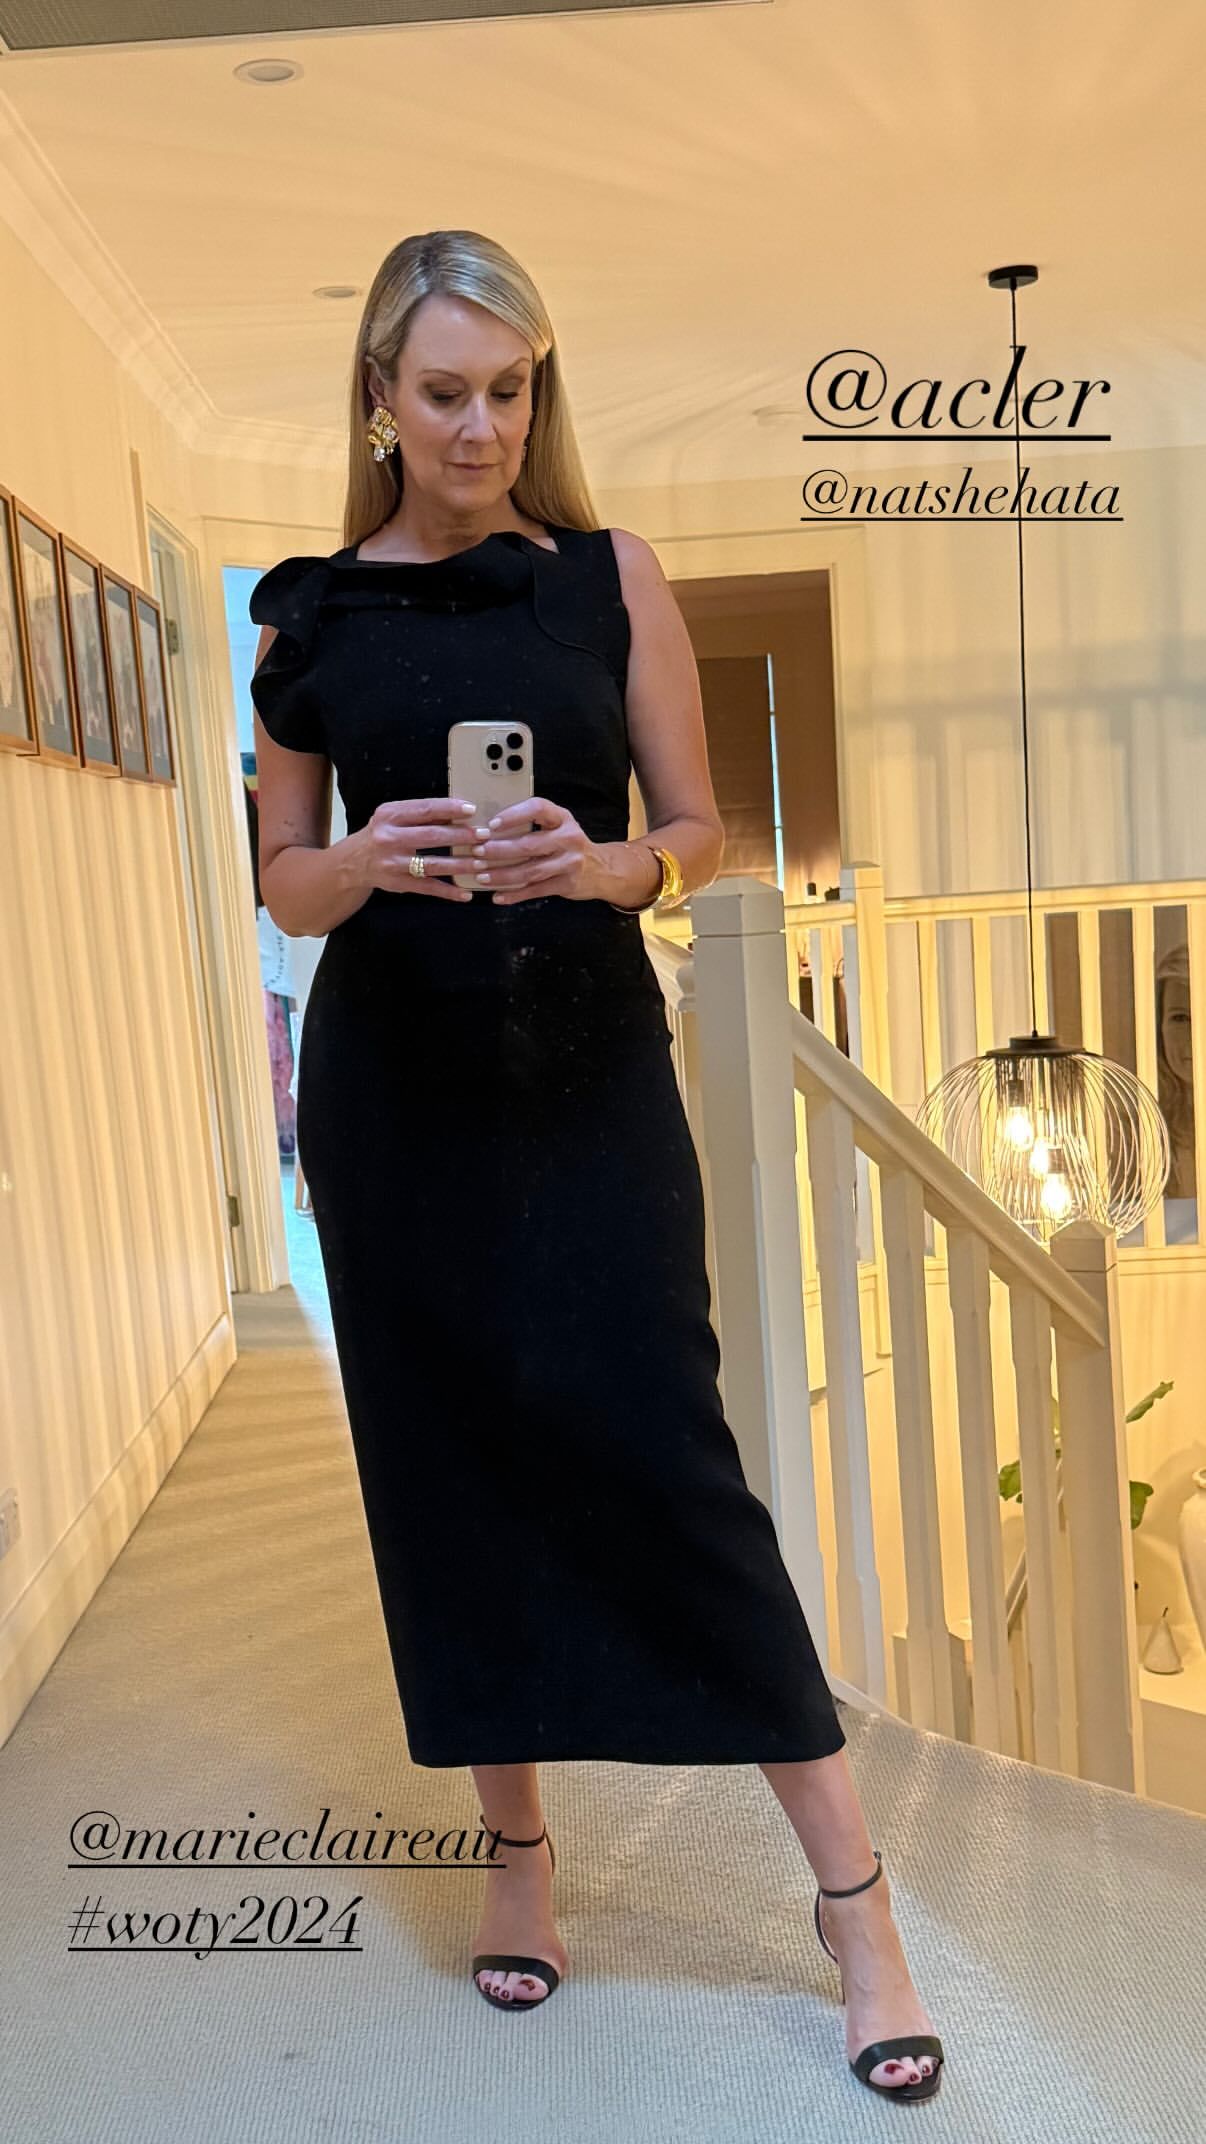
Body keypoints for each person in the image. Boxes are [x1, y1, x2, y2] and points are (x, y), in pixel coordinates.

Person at [248, 228, 944, 2100]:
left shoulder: (607, 575)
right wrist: (368, 862)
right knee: (450, 1464)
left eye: (510, 389)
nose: (481, 427)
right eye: (445, 392)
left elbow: (699, 826)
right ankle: (520, 1857)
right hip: (399, 1096)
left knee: (665, 1455)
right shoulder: (310, 618)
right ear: (378, 398)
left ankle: (854, 1902)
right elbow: (284, 882)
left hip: (585, 1075)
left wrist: (607, 861)